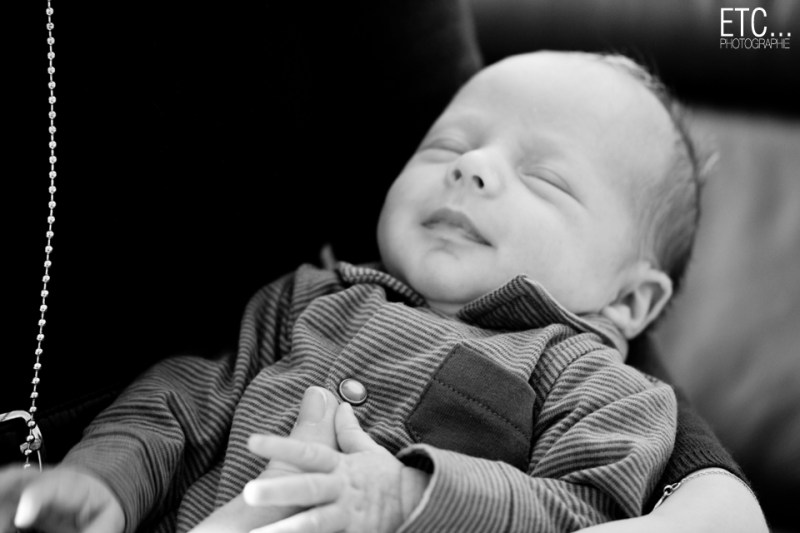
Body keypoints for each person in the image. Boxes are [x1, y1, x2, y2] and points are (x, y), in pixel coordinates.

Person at [0, 51, 768, 533]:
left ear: (631, 303)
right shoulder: (308, 302)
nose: (472, 168)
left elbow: (589, 509)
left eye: (544, 178)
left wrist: (408, 499)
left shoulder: (603, 390)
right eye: (448, 144)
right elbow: (183, 405)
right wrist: (103, 481)